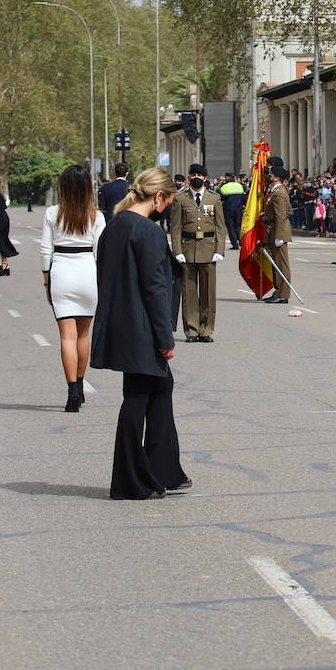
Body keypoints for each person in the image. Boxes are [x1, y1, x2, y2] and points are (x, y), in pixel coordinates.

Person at [90, 167, 189, 500]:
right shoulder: (147, 231)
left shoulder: (114, 226)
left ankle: (164, 471)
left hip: (121, 323)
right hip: (142, 327)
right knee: (138, 399)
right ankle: (130, 480)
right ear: (159, 196)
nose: (169, 206)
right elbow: (154, 288)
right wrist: (165, 338)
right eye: (169, 200)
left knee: (160, 387)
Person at [41, 165, 105, 412]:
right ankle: (80, 381)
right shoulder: (96, 216)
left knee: (66, 335)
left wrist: (47, 280)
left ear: (63, 187)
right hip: (88, 272)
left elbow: (46, 250)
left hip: (62, 272)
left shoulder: (53, 213)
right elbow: (101, 252)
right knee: (83, 334)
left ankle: (72, 391)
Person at [169, 163, 228, 342]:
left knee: (208, 292)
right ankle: (192, 330)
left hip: (209, 249)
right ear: (189, 178)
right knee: (189, 293)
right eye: (193, 175)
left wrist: (220, 250)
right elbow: (176, 227)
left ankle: (206, 329)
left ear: (205, 178)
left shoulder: (214, 198)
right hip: (187, 248)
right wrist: (177, 250)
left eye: (199, 175)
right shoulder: (180, 199)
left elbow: (220, 226)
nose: (196, 177)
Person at [263, 165, 294, 303]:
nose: (268, 175)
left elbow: (281, 215)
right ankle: (278, 291)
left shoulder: (279, 193)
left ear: (276, 177)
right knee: (276, 263)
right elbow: (289, 211)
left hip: (278, 232)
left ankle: (283, 294)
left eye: (270, 173)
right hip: (275, 229)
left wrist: (279, 235)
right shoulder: (277, 191)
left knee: (281, 264)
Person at [219, 173, 246, 249]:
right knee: (238, 226)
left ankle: (235, 244)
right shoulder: (239, 186)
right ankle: (241, 242)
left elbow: (221, 198)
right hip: (239, 209)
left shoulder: (224, 187)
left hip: (228, 210)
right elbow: (243, 198)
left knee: (230, 227)